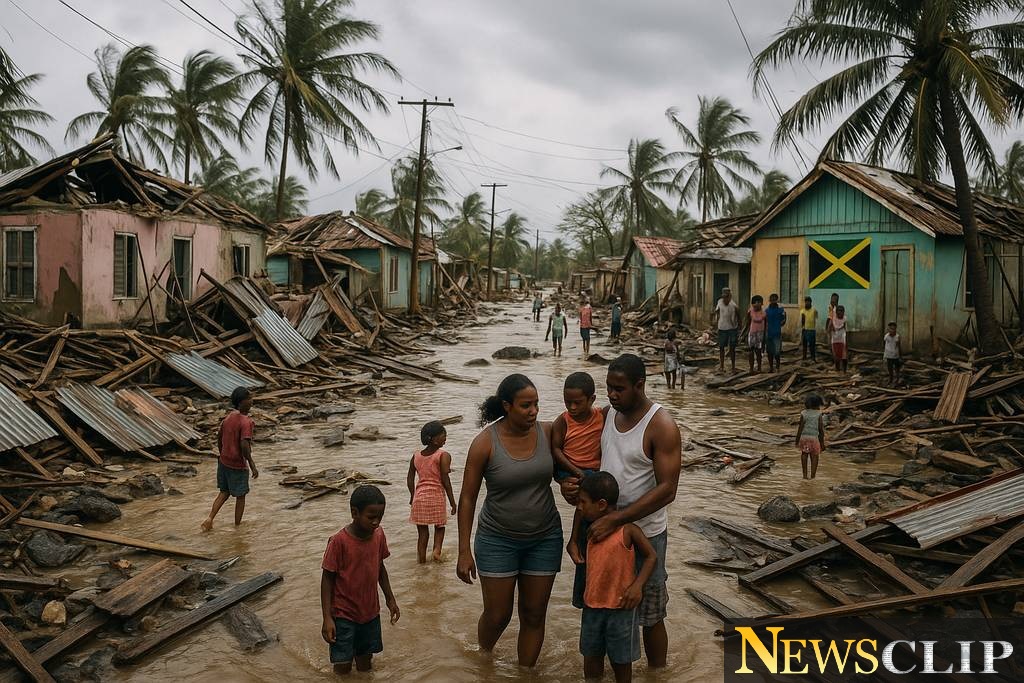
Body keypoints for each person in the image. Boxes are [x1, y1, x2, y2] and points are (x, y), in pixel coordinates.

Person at [560, 354, 682, 669]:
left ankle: (658, 674)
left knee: (650, 613)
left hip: (645, 534)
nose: (612, 395)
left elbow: (668, 489)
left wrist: (616, 518)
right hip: (601, 532)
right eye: (608, 388)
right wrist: (567, 485)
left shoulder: (661, 425)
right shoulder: (606, 415)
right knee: (598, 606)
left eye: (619, 389)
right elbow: (580, 456)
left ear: (639, 385)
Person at [457, 374, 562, 667]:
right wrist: (463, 550)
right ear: (507, 406)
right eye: (526, 406)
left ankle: (525, 674)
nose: (534, 411)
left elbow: (569, 465)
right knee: (498, 615)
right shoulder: (484, 443)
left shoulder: (549, 432)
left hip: (545, 538)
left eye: (536, 404)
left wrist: (571, 485)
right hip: (497, 540)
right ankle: (484, 662)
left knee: (534, 614)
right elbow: (467, 498)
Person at [574, 473, 657, 683]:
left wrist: (637, 586)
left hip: (621, 608)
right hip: (592, 607)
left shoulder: (628, 531)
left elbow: (651, 556)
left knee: (622, 663)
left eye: (583, 502)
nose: (579, 507)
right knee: (591, 659)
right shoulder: (589, 529)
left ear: (601, 504)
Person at [320, 485, 400, 674]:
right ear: (354, 513)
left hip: (370, 613)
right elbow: (327, 580)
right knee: (343, 666)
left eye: (380, 517)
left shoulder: (378, 535)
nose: (376, 522)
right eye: (371, 517)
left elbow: (380, 568)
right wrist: (327, 618)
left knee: (365, 664)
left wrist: (390, 599)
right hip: (343, 615)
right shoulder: (339, 542)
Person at [202, 387, 258, 532]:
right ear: (241, 402)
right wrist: (251, 464)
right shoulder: (246, 422)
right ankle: (238, 527)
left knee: (224, 492)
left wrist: (222, 453)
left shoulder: (228, 418)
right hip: (237, 465)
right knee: (241, 496)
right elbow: (244, 444)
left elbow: (219, 437)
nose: (251, 401)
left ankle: (210, 518)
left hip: (224, 461)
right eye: (249, 398)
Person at [407, 421, 457, 564]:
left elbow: (410, 478)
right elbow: (446, 480)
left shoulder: (416, 456)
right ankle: (436, 551)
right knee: (440, 527)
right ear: (434, 439)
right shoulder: (443, 455)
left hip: (419, 499)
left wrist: (412, 496)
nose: (445, 438)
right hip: (436, 497)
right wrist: (453, 502)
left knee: (422, 534)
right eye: (443, 435)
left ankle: (421, 562)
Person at [552, 372, 604, 481]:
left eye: (577, 403)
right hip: (568, 469)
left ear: (592, 399)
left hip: (593, 470)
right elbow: (556, 449)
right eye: (568, 402)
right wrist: (576, 471)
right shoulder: (563, 421)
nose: (572, 407)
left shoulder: (601, 416)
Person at [795, 394, 826, 479]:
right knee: (814, 455)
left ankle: (804, 476)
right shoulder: (819, 414)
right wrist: (822, 443)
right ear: (818, 404)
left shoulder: (803, 413)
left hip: (804, 438)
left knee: (804, 454)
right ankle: (813, 476)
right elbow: (820, 429)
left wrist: (797, 440)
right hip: (814, 439)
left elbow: (800, 428)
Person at [711, 287, 740, 373]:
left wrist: (739, 327)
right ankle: (722, 366)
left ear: (730, 296)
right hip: (722, 328)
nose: (725, 299)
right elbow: (716, 313)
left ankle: (733, 366)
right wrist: (715, 322)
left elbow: (738, 315)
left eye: (727, 297)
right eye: (724, 297)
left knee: (732, 348)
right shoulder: (719, 302)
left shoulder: (733, 305)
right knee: (721, 347)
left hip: (732, 328)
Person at [743, 295, 767, 373]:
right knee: (751, 351)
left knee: (758, 351)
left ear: (761, 303)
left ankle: (759, 368)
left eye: (759, 302)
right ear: (752, 304)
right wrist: (744, 334)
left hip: (760, 334)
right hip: (752, 333)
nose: (757, 304)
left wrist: (765, 336)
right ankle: (751, 368)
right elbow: (747, 323)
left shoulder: (764, 313)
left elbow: (766, 324)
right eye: (755, 302)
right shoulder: (750, 312)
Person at [764, 293, 787, 373]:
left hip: (777, 334)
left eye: (775, 299)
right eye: (772, 299)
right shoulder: (766, 311)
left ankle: (777, 367)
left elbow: (784, 320)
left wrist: (779, 324)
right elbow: (765, 322)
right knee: (769, 352)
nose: (773, 300)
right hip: (769, 334)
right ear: (769, 300)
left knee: (777, 352)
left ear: (777, 300)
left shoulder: (781, 310)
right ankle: (771, 368)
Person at [827, 304, 849, 373]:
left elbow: (846, 330)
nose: (840, 312)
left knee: (844, 356)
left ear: (843, 312)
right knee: (836, 357)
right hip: (835, 341)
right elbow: (828, 330)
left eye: (841, 311)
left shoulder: (844, 319)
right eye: (839, 311)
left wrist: (847, 341)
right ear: (836, 312)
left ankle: (844, 371)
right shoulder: (833, 319)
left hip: (842, 340)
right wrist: (829, 340)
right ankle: (837, 370)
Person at [884, 321, 903, 386]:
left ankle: (897, 379)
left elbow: (899, 346)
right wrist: (885, 355)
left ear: (895, 329)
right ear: (888, 329)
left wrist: (900, 356)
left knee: (897, 368)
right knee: (890, 368)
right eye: (890, 328)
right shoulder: (886, 336)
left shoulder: (897, 337)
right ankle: (890, 379)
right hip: (888, 355)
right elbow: (884, 345)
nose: (892, 330)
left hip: (895, 355)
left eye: (893, 329)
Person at [800, 297, 819, 362]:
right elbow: (802, 321)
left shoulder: (814, 310)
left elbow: (816, 318)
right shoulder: (802, 311)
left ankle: (813, 358)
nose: (807, 303)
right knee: (804, 345)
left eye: (808, 302)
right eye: (806, 302)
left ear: (811, 302)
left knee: (812, 345)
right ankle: (804, 357)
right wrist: (802, 329)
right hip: (805, 330)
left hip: (812, 330)